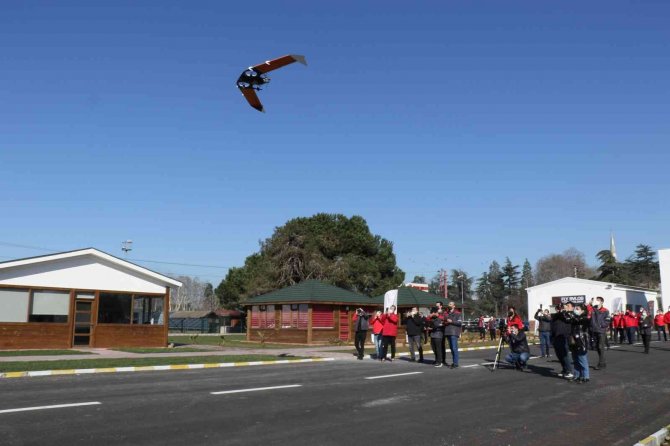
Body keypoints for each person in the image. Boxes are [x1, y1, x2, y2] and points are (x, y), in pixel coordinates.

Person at [567, 304, 590, 383]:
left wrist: (573, 315)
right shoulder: (573, 318)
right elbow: (568, 320)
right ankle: (577, 375)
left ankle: (585, 376)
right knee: (575, 359)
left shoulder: (585, 318)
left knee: (582, 359)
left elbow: (579, 321)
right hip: (573, 340)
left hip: (581, 341)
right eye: (575, 308)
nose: (575, 310)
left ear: (582, 310)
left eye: (577, 309)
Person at [551, 303, 574, 379]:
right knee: (559, 354)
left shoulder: (568, 315)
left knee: (564, 354)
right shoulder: (556, 316)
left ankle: (569, 371)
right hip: (556, 336)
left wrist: (564, 311)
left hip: (564, 336)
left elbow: (567, 319)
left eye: (561, 308)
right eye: (558, 308)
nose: (559, 309)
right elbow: (556, 317)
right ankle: (564, 369)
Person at [588, 296, 610, 370]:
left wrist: (601, 325)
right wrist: (589, 304)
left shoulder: (605, 310)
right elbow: (588, 310)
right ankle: (603, 362)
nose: (596, 301)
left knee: (601, 347)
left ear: (601, 302)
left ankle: (601, 363)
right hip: (593, 330)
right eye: (595, 300)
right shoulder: (593, 309)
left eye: (598, 300)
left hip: (601, 331)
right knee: (597, 347)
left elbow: (607, 321)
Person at [443, 301, 462, 368]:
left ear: (454, 306)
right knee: (451, 348)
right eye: (449, 304)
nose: (449, 305)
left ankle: (455, 363)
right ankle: (454, 362)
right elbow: (444, 321)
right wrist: (445, 322)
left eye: (450, 304)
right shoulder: (446, 313)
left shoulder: (458, 313)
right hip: (447, 332)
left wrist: (452, 321)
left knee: (454, 348)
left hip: (454, 332)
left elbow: (459, 323)